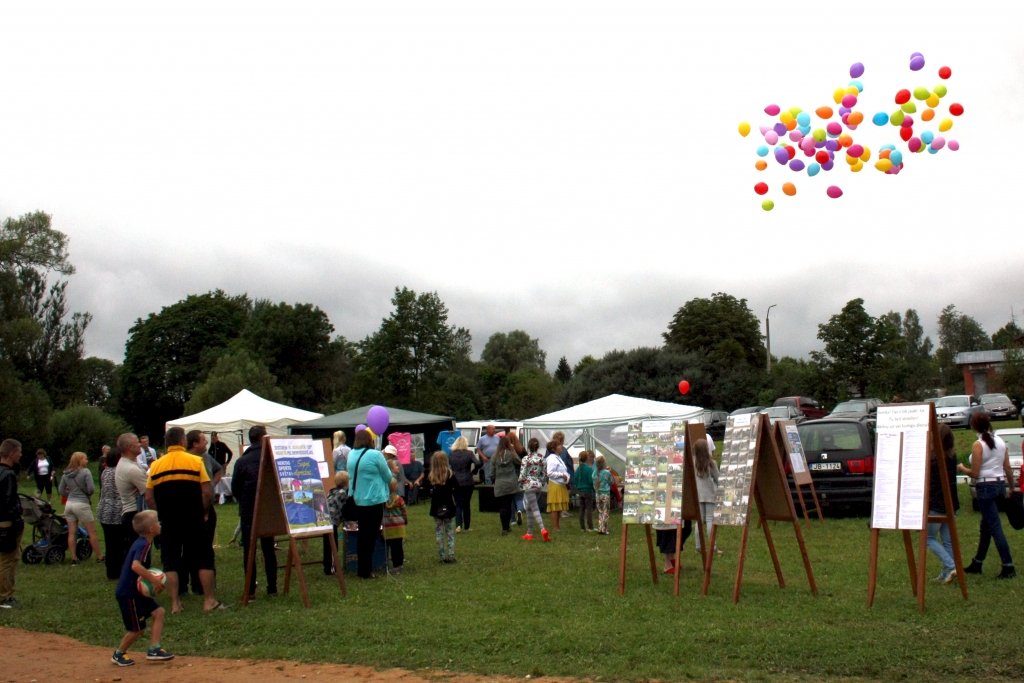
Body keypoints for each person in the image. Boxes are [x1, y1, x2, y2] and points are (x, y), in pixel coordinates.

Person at [145, 427, 223, 612]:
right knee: (204, 557)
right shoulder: (195, 461)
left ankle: (175, 604)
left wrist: (162, 511)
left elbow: (149, 497)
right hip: (194, 517)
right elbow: (206, 492)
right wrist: (204, 512)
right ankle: (209, 601)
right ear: (182, 442)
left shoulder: (156, 465)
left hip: (169, 521)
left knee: (170, 561)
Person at [958, 412, 1016, 579]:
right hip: (999, 485)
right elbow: (1007, 468)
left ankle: (1008, 565)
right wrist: (1011, 487)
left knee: (995, 527)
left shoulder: (978, 445)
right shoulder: (1000, 441)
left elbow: (975, 473)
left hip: (985, 486)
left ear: (973, 426)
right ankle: (978, 562)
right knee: (986, 526)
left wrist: (962, 468)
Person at [112, 510, 173, 666]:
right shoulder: (144, 544)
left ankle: (154, 649)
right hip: (129, 593)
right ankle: (119, 654)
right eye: (157, 522)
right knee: (137, 629)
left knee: (159, 612)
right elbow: (135, 566)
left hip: (136, 591)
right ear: (151, 529)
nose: (160, 524)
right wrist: (153, 580)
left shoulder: (144, 542)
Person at [231, 425, 277, 599]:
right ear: (263, 438)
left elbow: (235, 487)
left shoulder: (242, 461)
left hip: (248, 509)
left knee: (249, 551)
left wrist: (243, 500)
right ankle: (272, 587)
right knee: (269, 549)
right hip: (268, 508)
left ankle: (250, 590)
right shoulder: (270, 457)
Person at [346, 429, 393, 579]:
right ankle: (367, 569)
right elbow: (388, 476)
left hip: (358, 499)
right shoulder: (376, 455)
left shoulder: (351, 454)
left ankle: (362, 568)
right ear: (370, 440)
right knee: (371, 535)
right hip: (374, 499)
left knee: (362, 535)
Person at [185, 430, 223, 597]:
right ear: (194, 443)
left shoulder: (206, 457)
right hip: (193, 508)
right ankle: (195, 583)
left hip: (209, 508)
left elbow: (218, 469)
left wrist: (212, 485)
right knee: (193, 548)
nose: (207, 442)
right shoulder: (187, 460)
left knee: (206, 546)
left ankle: (206, 584)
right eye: (203, 440)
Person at [58, 451, 104, 565]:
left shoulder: (66, 474)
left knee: (72, 533)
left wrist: (72, 494)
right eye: (85, 459)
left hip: (69, 505)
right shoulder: (85, 472)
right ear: (80, 460)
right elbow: (91, 489)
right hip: (82, 504)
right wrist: (84, 495)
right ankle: (100, 556)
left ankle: (74, 559)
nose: (87, 461)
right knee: (92, 532)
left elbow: (61, 490)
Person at [928, 424, 960, 584]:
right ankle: (946, 572)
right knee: (947, 540)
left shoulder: (932, 459)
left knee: (929, 538)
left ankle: (951, 565)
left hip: (936, 506)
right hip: (951, 505)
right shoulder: (952, 457)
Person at [0, 438, 25, 609]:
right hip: (6, 523)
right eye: (19, 451)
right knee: (7, 560)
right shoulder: (8, 474)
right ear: (12, 453)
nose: (21, 454)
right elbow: (9, 501)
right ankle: (4, 596)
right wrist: (17, 521)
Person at [115, 433, 148, 550]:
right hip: (134, 515)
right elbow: (148, 491)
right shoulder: (131, 469)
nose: (140, 444)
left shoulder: (125, 463)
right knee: (138, 557)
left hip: (128, 514)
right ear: (130, 447)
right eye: (137, 442)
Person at [98, 446, 127, 579]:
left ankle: (111, 570)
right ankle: (118, 570)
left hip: (104, 509)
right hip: (116, 509)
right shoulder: (119, 472)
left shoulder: (105, 472)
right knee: (119, 543)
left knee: (109, 543)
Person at [428, 451, 458, 563]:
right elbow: (457, 487)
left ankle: (442, 556)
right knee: (449, 532)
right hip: (449, 506)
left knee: (439, 532)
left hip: (436, 508)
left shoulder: (432, 476)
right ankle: (451, 555)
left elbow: (428, 491)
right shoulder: (450, 475)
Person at [692, 439, 721, 555]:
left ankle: (698, 545)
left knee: (699, 521)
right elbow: (718, 478)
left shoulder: (693, 463)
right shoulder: (711, 463)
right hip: (710, 494)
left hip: (698, 495)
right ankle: (712, 546)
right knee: (710, 520)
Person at [518, 438, 549, 541]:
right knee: (529, 508)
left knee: (534, 508)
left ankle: (543, 529)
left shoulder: (526, 459)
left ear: (529, 447)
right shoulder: (542, 459)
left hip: (528, 486)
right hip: (538, 485)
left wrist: (520, 483)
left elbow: (523, 474)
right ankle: (529, 532)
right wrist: (541, 482)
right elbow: (544, 474)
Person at [491, 436, 522, 536]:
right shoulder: (511, 454)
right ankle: (508, 526)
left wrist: (495, 480)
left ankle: (504, 527)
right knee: (509, 504)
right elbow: (520, 462)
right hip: (511, 483)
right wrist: (513, 451)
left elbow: (491, 473)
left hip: (500, 484)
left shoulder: (494, 456)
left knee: (503, 507)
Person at [448, 436, 480, 532]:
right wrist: (474, 471)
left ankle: (458, 525)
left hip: (456, 481)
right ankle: (467, 526)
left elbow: (448, 465)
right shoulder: (469, 453)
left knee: (458, 504)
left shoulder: (451, 454)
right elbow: (478, 463)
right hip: (467, 481)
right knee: (467, 504)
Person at [382, 479, 407, 573]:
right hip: (398, 526)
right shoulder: (399, 499)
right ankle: (399, 564)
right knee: (398, 547)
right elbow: (404, 510)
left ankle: (387, 562)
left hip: (387, 526)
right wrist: (404, 520)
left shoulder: (383, 500)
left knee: (389, 546)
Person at [545, 441, 570, 532]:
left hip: (560, 484)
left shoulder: (557, 458)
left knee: (558, 507)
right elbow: (549, 473)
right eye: (559, 445)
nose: (561, 447)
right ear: (554, 449)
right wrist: (561, 475)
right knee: (555, 507)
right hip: (555, 484)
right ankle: (555, 527)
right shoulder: (552, 459)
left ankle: (557, 526)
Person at [508, 430, 527, 525]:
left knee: (511, 498)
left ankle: (513, 519)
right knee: (519, 496)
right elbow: (525, 461)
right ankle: (519, 509)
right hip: (519, 474)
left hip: (510, 475)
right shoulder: (521, 449)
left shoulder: (507, 451)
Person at [553, 431, 575, 515]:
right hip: (564, 474)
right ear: (561, 440)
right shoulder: (562, 450)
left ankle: (561, 509)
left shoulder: (550, 449)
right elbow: (563, 463)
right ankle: (563, 510)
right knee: (565, 492)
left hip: (555, 476)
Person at [575, 451, 596, 531]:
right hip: (588, 491)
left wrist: (578, 487)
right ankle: (590, 526)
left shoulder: (578, 469)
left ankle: (582, 527)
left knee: (582, 509)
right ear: (587, 458)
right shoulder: (589, 469)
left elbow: (575, 480)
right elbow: (591, 481)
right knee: (589, 509)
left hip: (580, 491)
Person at [594, 455, 613, 535]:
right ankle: (604, 529)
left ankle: (600, 527)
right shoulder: (607, 473)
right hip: (605, 494)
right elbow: (611, 482)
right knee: (605, 512)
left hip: (598, 494)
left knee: (600, 511)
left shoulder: (594, 473)